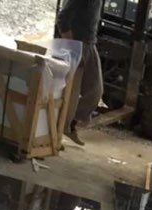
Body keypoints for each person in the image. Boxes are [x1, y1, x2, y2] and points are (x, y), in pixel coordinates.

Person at [56, 0, 103, 147]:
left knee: (95, 91)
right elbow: (63, 17)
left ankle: (71, 123)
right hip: (76, 44)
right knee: (70, 93)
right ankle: (57, 133)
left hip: (90, 44)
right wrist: (71, 44)